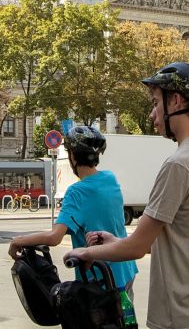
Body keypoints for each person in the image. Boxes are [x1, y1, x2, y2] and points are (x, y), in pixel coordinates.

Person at [64, 62, 189, 329]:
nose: (153, 114)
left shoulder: (179, 163)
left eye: (155, 103)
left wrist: (84, 251)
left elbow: (137, 248)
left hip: (181, 317)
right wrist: (116, 240)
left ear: (175, 101)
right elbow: (176, 239)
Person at [8, 126, 138, 312]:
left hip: (100, 281)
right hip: (125, 271)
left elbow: (54, 237)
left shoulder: (76, 192)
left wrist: (17, 241)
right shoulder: (110, 178)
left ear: (73, 157)